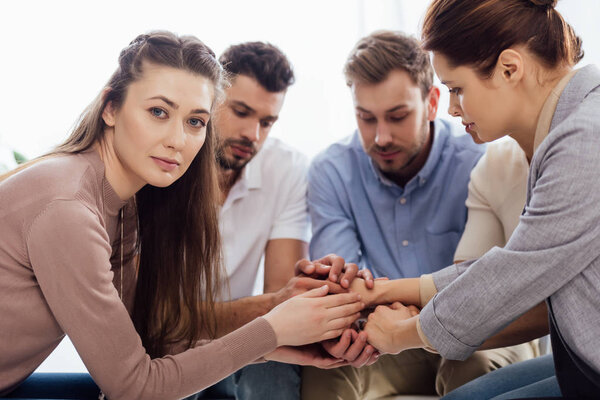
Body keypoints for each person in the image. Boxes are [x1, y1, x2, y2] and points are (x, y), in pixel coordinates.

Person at [0, 31, 366, 400]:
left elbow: (145, 342)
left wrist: (275, 345)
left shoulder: (122, 204)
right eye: (158, 112)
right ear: (111, 107)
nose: (178, 140)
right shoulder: (69, 209)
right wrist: (271, 329)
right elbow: (135, 387)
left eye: (195, 122)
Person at [357, 0, 600, 398]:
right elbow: (502, 265)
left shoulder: (585, 138)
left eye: (457, 89)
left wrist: (403, 334)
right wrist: (385, 291)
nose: (452, 108)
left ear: (509, 68)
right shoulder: (567, 127)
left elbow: (513, 275)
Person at [303, 30, 533, 399]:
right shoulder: (331, 171)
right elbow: (343, 283)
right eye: (366, 118)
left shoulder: (480, 162)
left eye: (396, 117)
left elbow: (489, 286)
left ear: (432, 102)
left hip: (478, 330)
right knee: (326, 368)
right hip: (380, 331)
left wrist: (401, 315)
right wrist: (356, 330)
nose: (380, 137)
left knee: (472, 365)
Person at [192, 41, 372, 400]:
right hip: (168, 343)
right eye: (240, 112)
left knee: (277, 365)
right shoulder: (168, 162)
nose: (252, 134)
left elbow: (280, 296)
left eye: (266, 121)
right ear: (211, 100)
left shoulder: (286, 169)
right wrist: (276, 307)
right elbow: (160, 319)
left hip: (241, 340)